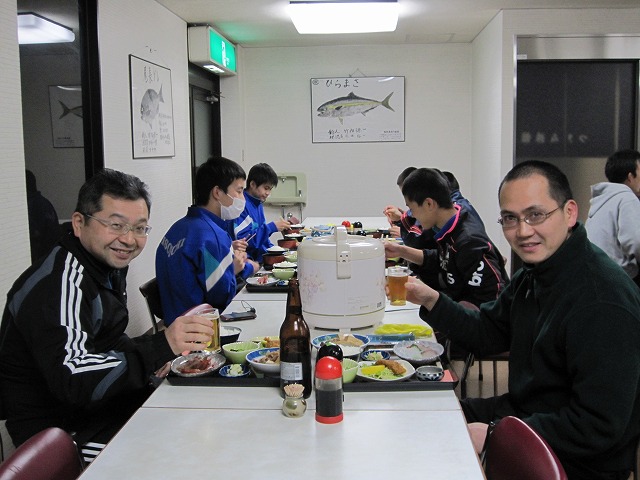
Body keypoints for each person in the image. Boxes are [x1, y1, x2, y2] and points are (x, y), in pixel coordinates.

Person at [403, 160, 640, 479]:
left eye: (536, 215)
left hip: (576, 461)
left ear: (569, 213)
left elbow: (596, 426)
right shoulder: (535, 274)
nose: (523, 231)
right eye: (510, 218)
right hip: (526, 412)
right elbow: (487, 331)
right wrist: (431, 299)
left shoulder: (602, 300)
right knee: (422, 414)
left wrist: (493, 433)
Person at [0, 169, 214, 463]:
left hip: (102, 408)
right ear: (79, 223)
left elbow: (107, 340)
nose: (128, 239)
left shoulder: (105, 265)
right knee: (185, 453)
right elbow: (73, 378)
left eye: (140, 228)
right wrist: (159, 346)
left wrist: (155, 358)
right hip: (63, 436)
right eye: (116, 225)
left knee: (200, 416)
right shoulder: (60, 282)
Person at [156, 157, 259, 326]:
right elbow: (222, 297)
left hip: (172, 322)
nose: (243, 199)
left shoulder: (178, 228)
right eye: (239, 191)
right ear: (217, 192)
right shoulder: (213, 235)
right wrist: (237, 269)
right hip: (199, 328)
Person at [384, 168, 508, 306]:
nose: (412, 215)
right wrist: (400, 251)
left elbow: (491, 305)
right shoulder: (448, 226)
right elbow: (441, 259)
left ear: (429, 204)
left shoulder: (469, 241)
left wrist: (431, 301)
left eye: (412, 209)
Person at [586, 149, 640, 289]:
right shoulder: (627, 198)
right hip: (617, 279)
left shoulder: (601, 200)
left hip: (595, 275)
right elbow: (636, 242)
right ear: (630, 177)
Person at [229, 163, 290, 264]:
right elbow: (245, 242)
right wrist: (271, 227)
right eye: (266, 188)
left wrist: (276, 252)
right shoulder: (242, 205)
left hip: (259, 259)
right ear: (252, 184)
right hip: (247, 262)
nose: (268, 193)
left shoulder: (258, 203)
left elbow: (262, 238)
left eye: (270, 189)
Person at [25, 169, 61, 263]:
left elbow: (35, 235)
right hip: (51, 255)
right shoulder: (44, 202)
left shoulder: (31, 206)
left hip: (41, 258)